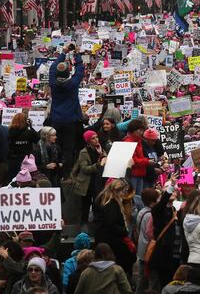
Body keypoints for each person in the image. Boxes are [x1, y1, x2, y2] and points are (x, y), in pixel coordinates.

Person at [49, 44, 85, 177]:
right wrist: (77, 54)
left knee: (56, 145)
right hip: (70, 120)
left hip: (56, 119)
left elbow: (52, 68)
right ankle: (67, 172)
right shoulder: (73, 84)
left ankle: (56, 169)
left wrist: (63, 53)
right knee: (68, 148)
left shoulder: (53, 83)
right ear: (68, 73)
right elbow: (80, 71)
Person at [92, 179, 136, 279]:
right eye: (124, 191)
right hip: (112, 239)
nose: (125, 194)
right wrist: (124, 231)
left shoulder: (104, 201)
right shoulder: (111, 204)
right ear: (117, 191)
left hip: (105, 238)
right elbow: (111, 224)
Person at [71, 131, 107, 226]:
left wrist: (101, 154)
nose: (96, 140)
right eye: (93, 138)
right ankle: (84, 224)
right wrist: (98, 165)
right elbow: (85, 169)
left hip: (98, 181)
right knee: (85, 205)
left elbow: (106, 161)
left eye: (96, 137)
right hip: (87, 183)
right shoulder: (83, 152)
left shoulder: (100, 149)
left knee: (97, 203)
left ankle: (96, 223)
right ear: (88, 141)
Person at [7, 113, 40, 180]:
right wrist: (30, 127)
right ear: (25, 121)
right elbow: (37, 139)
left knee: (13, 179)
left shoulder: (9, 131)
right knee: (26, 180)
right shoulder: (29, 132)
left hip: (13, 159)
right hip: (26, 160)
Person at [122, 119, 151, 195]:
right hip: (133, 174)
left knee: (138, 197)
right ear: (133, 130)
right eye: (140, 130)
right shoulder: (128, 142)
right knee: (133, 197)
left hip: (139, 173)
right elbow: (133, 160)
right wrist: (147, 161)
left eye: (142, 130)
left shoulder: (138, 141)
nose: (141, 133)